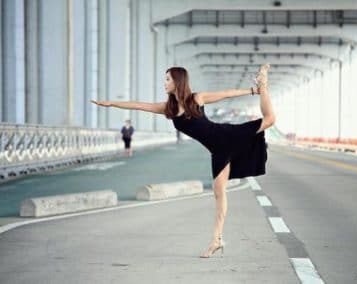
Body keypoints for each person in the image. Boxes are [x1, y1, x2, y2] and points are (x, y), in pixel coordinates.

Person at [91, 64, 275, 258]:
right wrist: (111, 103)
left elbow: (226, 94)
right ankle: (217, 240)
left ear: (178, 81)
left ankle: (262, 86)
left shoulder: (197, 98)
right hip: (217, 150)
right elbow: (139, 105)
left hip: (227, 135)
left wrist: (253, 90)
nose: (165, 83)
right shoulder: (168, 109)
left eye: (168, 79)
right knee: (219, 192)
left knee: (270, 119)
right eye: (165, 79)